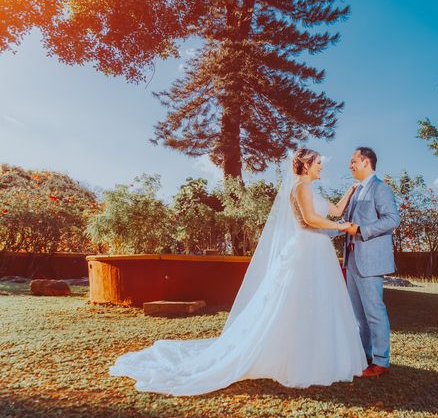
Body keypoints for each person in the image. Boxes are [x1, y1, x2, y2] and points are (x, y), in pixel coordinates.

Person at [109, 148, 368, 396]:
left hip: (318, 250)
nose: (322, 166)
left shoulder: (312, 189)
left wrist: (350, 191)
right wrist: (342, 227)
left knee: (318, 300)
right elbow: (311, 220)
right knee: (295, 301)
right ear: (306, 165)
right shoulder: (300, 187)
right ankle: (293, 356)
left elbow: (334, 210)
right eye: (318, 162)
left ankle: (317, 352)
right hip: (306, 248)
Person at [342, 147, 400, 377]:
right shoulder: (356, 191)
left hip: (371, 261)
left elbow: (392, 220)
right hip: (352, 259)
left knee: (374, 311)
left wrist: (362, 230)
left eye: (353, 161)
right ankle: (364, 355)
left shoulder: (381, 188)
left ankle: (381, 361)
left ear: (366, 162)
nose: (350, 165)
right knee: (358, 314)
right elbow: (347, 223)